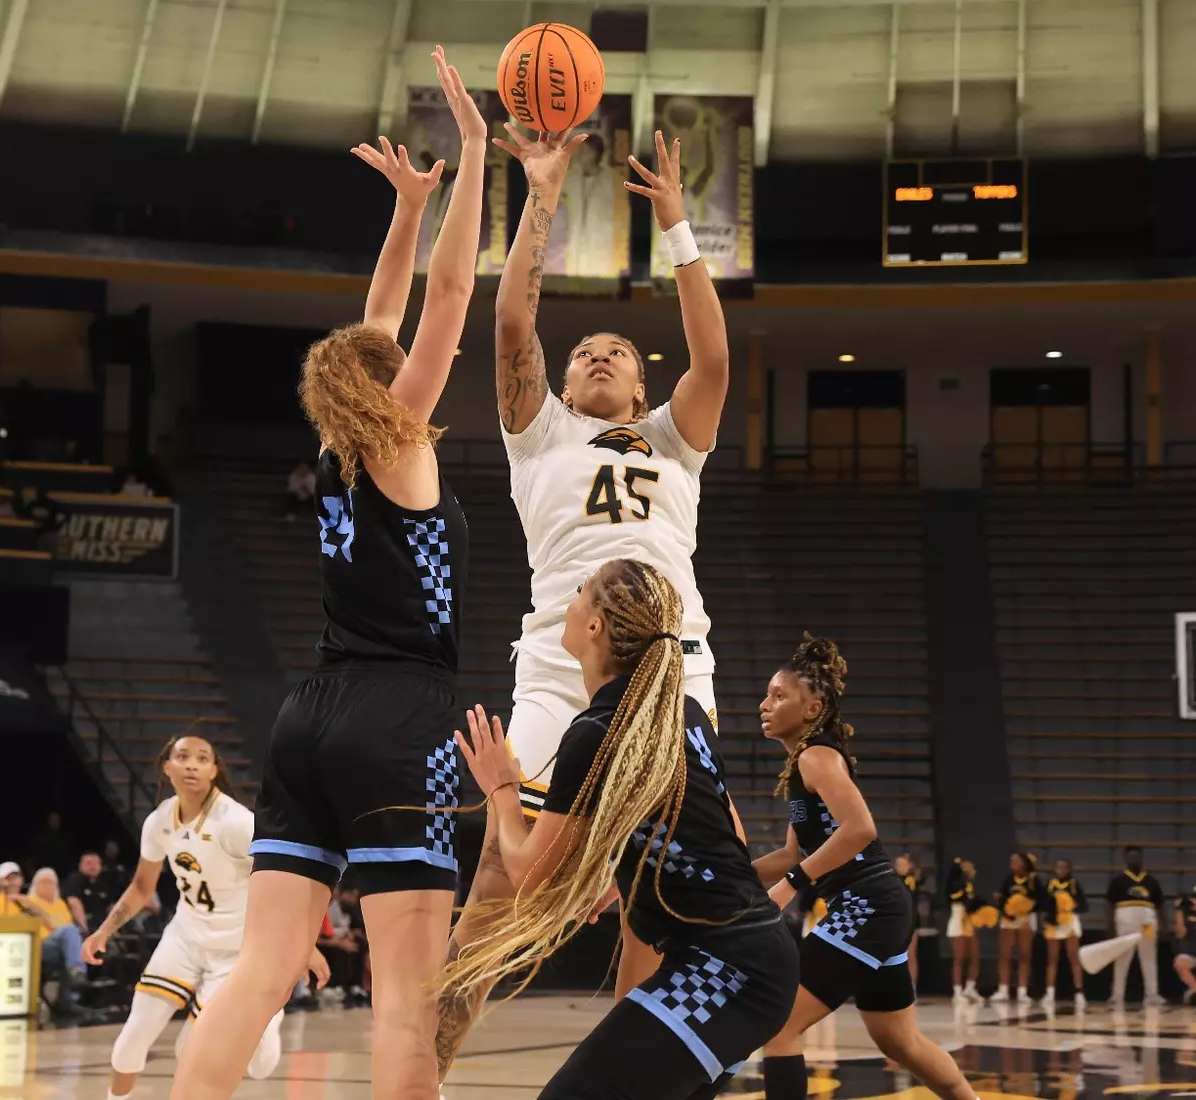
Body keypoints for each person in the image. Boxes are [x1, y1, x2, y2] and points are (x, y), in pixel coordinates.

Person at [165, 47, 485, 1100]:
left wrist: (405, 205)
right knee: (405, 996)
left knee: (258, 973)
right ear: (393, 385)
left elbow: (382, 318)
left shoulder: (348, 448)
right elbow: (443, 296)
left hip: (311, 712)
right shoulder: (401, 436)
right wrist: (474, 156)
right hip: (401, 715)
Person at [444, 118, 734, 1070]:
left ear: (643, 380)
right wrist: (542, 194)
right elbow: (512, 326)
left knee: (669, 884)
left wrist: (681, 228)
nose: (598, 356)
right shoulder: (541, 433)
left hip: (669, 667)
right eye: (584, 354)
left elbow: (716, 362)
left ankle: (641, 1071)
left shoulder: (674, 436)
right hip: (561, 667)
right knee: (497, 866)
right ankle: (426, 1070)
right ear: (560, 383)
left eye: (616, 352)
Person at [452, 559, 796, 1100]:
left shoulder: (594, 733)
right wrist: (624, 872)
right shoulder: (683, 712)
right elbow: (725, 835)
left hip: (723, 973)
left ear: (595, 627)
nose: (568, 603)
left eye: (580, 593)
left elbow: (524, 872)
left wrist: (500, 788)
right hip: (753, 958)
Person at [750, 636, 977, 1100]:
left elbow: (860, 829)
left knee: (779, 1025)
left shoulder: (817, 756)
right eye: (767, 694)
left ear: (811, 709)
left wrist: (790, 887)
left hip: (868, 905)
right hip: (880, 907)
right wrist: (728, 876)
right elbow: (792, 853)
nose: (764, 703)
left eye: (778, 696)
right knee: (899, 1040)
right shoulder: (803, 764)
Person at [85, 735, 324, 1100]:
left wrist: (302, 943)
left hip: (236, 948)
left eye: (202, 758)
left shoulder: (235, 822)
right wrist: (102, 932)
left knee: (216, 1057)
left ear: (214, 771)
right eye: (183, 757)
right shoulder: (159, 820)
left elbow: (279, 879)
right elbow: (140, 886)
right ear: (168, 767)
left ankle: (269, 1019)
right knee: (133, 1034)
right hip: (185, 936)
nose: (192, 765)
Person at [0, 862, 88, 1013]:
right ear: (0, 881)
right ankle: (76, 971)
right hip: (22, 948)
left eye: (16, 877)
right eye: (8, 878)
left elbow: (49, 922)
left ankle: (67, 997)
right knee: (69, 933)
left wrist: (26, 904)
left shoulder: (26, 901)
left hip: (42, 945)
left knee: (69, 939)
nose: (13, 881)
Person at [1106, 845, 1165, 1006]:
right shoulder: (1118, 881)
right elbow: (1110, 905)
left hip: (1147, 920)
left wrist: (1164, 926)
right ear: (1126, 859)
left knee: (1148, 956)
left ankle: (1152, 994)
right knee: (1122, 957)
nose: (1134, 859)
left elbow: (1159, 905)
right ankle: (1117, 995)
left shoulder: (1151, 881)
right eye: (1131, 856)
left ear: (1141, 858)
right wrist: (1110, 926)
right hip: (1125, 920)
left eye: (1137, 856)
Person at [994, 852, 1043, 1004]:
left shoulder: (1033, 880)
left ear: (1023, 863)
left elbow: (1041, 900)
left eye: (1014, 861)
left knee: (1024, 955)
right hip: (1009, 919)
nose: (1011, 863)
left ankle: (1022, 991)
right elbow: (1002, 898)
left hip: (1026, 919)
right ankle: (1003, 990)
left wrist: (1026, 909)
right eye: (1011, 861)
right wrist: (1004, 906)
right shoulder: (1009, 879)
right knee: (1004, 954)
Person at [1042, 858, 1088, 1008]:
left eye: (1064, 867)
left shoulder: (1074, 884)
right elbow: (1044, 903)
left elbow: (1084, 905)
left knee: (1073, 957)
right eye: (1058, 867)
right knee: (1052, 958)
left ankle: (1079, 992)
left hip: (1070, 921)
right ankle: (1049, 993)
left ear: (1068, 869)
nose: (1061, 870)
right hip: (1054, 922)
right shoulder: (1050, 884)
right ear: (1054, 869)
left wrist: (1070, 908)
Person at [945, 858, 987, 1002]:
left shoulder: (972, 885)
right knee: (959, 958)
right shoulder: (954, 884)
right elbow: (959, 899)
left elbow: (976, 901)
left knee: (975, 956)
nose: (970, 870)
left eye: (971, 868)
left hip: (970, 922)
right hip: (958, 920)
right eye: (966, 868)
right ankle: (957, 992)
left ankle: (970, 988)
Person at [895, 853, 926, 991]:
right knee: (894, 955)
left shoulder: (913, 880)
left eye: (903, 864)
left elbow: (921, 877)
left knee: (911, 954)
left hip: (911, 922)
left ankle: (911, 987)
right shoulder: (893, 880)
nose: (899, 867)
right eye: (897, 865)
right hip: (896, 921)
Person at [64, 850, 116, 932]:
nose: (93, 866)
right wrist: (84, 929)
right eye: (88, 863)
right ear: (80, 865)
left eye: (96, 863)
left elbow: (110, 906)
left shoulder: (102, 884)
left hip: (102, 927)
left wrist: (114, 928)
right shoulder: (75, 879)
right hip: (82, 927)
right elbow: (73, 902)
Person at [29, 810, 74, 877]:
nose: (55, 822)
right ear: (48, 821)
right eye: (53, 820)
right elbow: (33, 857)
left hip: (63, 873)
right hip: (44, 871)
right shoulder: (40, 837)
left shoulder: (65, 837)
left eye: (57, 820)